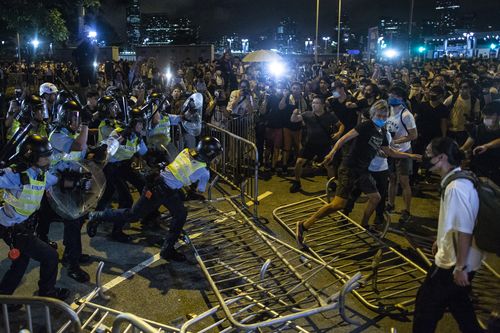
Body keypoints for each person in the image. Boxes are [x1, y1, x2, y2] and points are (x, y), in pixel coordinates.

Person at [295, 100, 421, 245]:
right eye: (379, 115)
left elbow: (390, 152)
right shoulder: (366, 125)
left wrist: (410, 156)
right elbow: (344, 138)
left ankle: (364, 225)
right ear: (373, 114)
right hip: (349, 167)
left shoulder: (383, 132)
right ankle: (304, 225)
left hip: (362, 170)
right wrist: (332, 153)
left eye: (384, 116)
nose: (381, 118)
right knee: (338, 205)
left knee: (375, 197)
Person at [87, 137, 223, 261]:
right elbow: (198, 190)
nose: (217, 159)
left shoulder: (186, 151)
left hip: (160, 183)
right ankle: (97, 215)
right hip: (160, 190)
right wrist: (196, 193)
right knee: (133, 215)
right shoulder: (203, 172)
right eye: (216, 156)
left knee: (180, 214)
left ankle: (167, 250)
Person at [412, 137, 484, 333]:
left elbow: (464, 230)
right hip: (465, 258)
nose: (425, 157)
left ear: (442, 157)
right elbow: (455, 221)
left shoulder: (456, 189)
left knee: (424, 310)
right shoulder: (458, 178)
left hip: (453, 263)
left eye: (428, 154)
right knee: (459, 304)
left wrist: (460, 267)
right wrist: (440, 238)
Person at [0, 135, 69, 300]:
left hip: (21, 225)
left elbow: (54, 180)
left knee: (21, 262)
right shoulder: (17, 174)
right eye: (45, 156)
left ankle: (3, 298)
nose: (49, 159)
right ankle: (47, 292)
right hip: (13, 227)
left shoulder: (40, 173)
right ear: (33, 157)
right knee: (50, 256)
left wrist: (72, 181)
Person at [36, 100, 93, 283]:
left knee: (75, 219)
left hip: (69, 183)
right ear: (65, 118)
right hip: (56, 185)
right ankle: (72, 263)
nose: (77, 122)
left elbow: (82, 152)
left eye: (79, 118)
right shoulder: (57, 135)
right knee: (72, 221)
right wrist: (86, 124)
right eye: (75, 118)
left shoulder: (72, 133)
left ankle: (71, 253)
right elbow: (76, 147)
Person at [94, 107, 148, 242]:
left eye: (142, 123)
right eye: (139, 123)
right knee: (126, 199)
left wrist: (140, 138)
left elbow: (143, 152)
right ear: (132, 123)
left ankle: (147, 216)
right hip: (111, 167)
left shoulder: (136, 136)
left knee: (144, 186)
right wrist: (121, 137)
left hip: (125, 165)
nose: (141, 126)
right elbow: (106, 148)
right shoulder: (118, 132)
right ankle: (116, 231)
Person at [289, 97, 344, 193]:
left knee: (329, 165)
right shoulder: (307, 114)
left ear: (323, 105)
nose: (314, 105)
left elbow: (341, 125)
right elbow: (293, 120)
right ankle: (296, 182)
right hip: (309, 144)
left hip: (324, 144)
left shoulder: (330, 116)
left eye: (317, 103)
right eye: (313, 102)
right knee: (299, 162)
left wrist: (339, 133)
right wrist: (294, 113)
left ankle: (331, 182)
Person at [460, 101, 500, 185]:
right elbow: (465, 147)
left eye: (490, 116)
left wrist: (486, 146)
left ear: (498, 116)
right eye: (485, 116)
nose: (486, 118)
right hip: (478, 170)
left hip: (496, 170)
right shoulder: (477, 129)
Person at [279, 82, 308, 174]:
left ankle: (297, 166)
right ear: (291, 89)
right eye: (294, 88)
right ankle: (284, 165)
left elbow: (306, 112)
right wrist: (284, 96)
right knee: (286, 147)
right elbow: (280, 107)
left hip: (298, 127)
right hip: (287, 126)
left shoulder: (303, 100)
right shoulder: (287, 98)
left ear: (300, 90)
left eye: (297, 88)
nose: (295, 90)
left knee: (298, 147)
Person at [444, 80, 480, 146]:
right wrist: (446, 120)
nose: (462, 89)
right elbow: (442, 108)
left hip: (464, 131)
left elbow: (476, 116)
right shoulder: (453, 97)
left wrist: (471, 122)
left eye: (465, 87)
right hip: (451, 129)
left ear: (471, 88)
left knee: (461, 150)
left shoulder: (475, 100)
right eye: (460, 87)